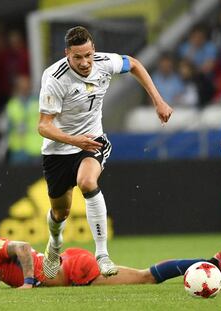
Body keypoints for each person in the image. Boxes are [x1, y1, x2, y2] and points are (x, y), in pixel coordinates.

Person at [38, 26, 173, 278]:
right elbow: (43, 126)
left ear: (94, 50)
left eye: (88, 55)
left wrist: (158, 100)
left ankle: (102, 254)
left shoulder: (104, 62)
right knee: (60, 212)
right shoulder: (54, 78)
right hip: (58, 149)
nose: (85, 62)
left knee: (88, 182)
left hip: (92, 140)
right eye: (78, 57)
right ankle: (55, 245)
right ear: (67, 53)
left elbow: (133, 64)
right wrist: (74, 140)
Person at [0, 223, 221, 291]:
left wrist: (26, 283)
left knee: (145, 276)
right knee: (144, 275)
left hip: (77, 270)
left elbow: (23, 249)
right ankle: (214, 261)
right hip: (69, 268)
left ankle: (214, 263)